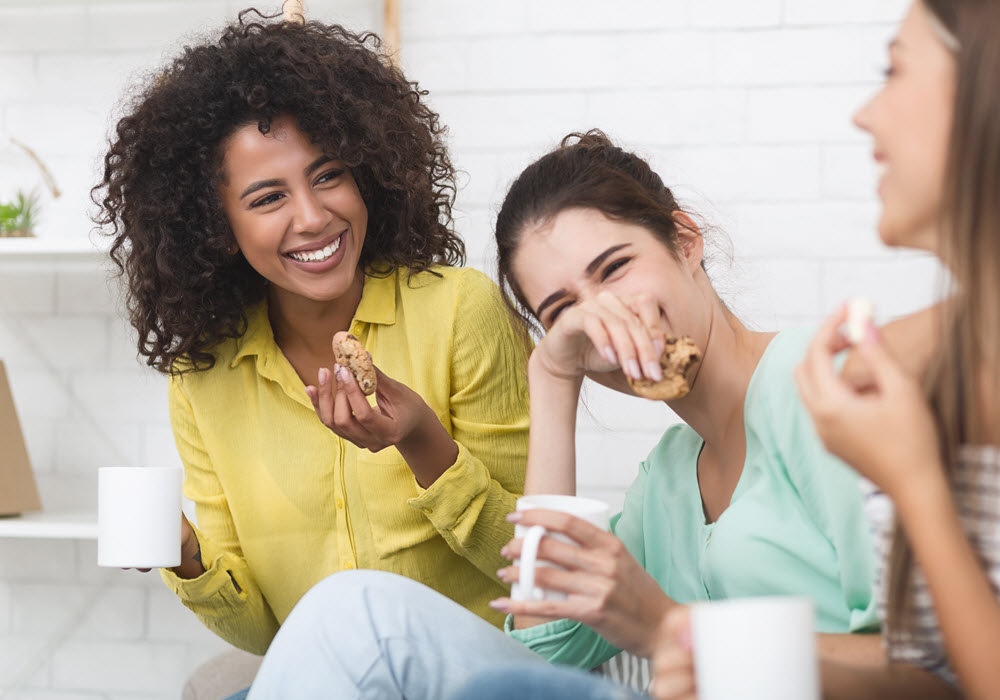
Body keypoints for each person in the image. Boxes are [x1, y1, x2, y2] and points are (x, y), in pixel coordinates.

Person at [241, 131, 882, 700]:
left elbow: (939, 666)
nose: (598, 319)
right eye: (561, 311)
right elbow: (543, 648)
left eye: (616, 269)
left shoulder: (820, 386)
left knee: (360, 624)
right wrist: (550, 378)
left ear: (685, 243)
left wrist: (671, 628)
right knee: (343, 627)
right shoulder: (667, 483)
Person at [91, 10, 530, 657]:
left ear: (367, 171)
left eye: (328, 175)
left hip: (477, 674)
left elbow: (530, 567)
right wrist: (184, 555)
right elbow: (264, 633)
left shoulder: (461, 311)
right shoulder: (203, 377)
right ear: (215, 227)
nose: (313, 217)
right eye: (268, 198)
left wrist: (422, 441)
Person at [654, 1, 1000, 698]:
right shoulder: (905, 367)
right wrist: (770, 669)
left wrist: (914, 482)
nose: (863, 115)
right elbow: (941, 676)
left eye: (894, 71)